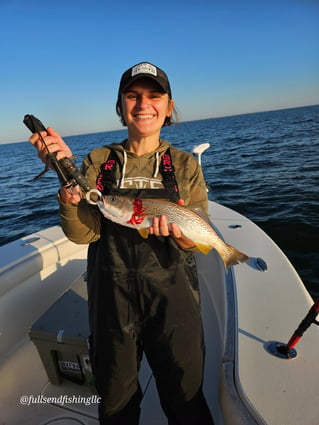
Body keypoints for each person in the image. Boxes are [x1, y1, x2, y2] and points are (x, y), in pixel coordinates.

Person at [29, 62, 214, 425]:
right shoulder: (99, 161)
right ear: (120, 106)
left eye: (153, 95)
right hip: (111, 301)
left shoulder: (185, 165)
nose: (143, 104)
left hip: (173, 301)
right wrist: (68, 195)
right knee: (115, 404)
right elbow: (85, 233)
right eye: (133, 96)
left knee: (186, 400)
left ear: (169, 105)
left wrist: (184, 238)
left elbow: (197, 233)